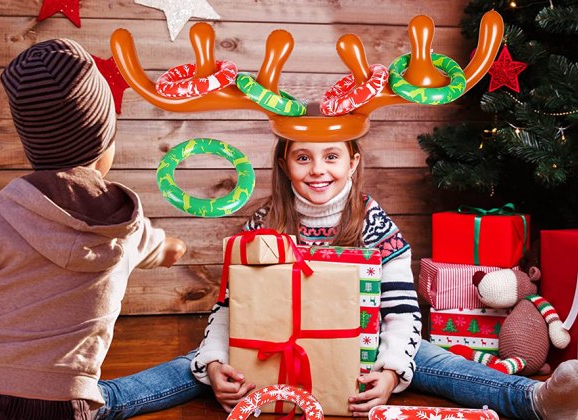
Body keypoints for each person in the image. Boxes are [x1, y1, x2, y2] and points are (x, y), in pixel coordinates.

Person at [190, 137, 578, 419]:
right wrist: (213, 363)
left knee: (441, 366)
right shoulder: (264, 221)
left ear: (353, 162)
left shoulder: (372, 222)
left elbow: (402, 310)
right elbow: (231, 306)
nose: (318, 169)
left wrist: (391, 372)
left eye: (331, 155)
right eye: (303, 157)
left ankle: (536, 399)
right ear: (283, 162)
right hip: (271, 346)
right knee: (195, 364)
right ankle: (124, 397)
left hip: (367, 345)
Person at [0, 39, 205, 419]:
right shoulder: (127, 230)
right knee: (173, 374)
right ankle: (201, 367)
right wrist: (177, 247)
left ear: (32, 147)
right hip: (66, 406)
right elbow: (169, 250)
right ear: (104, 142)